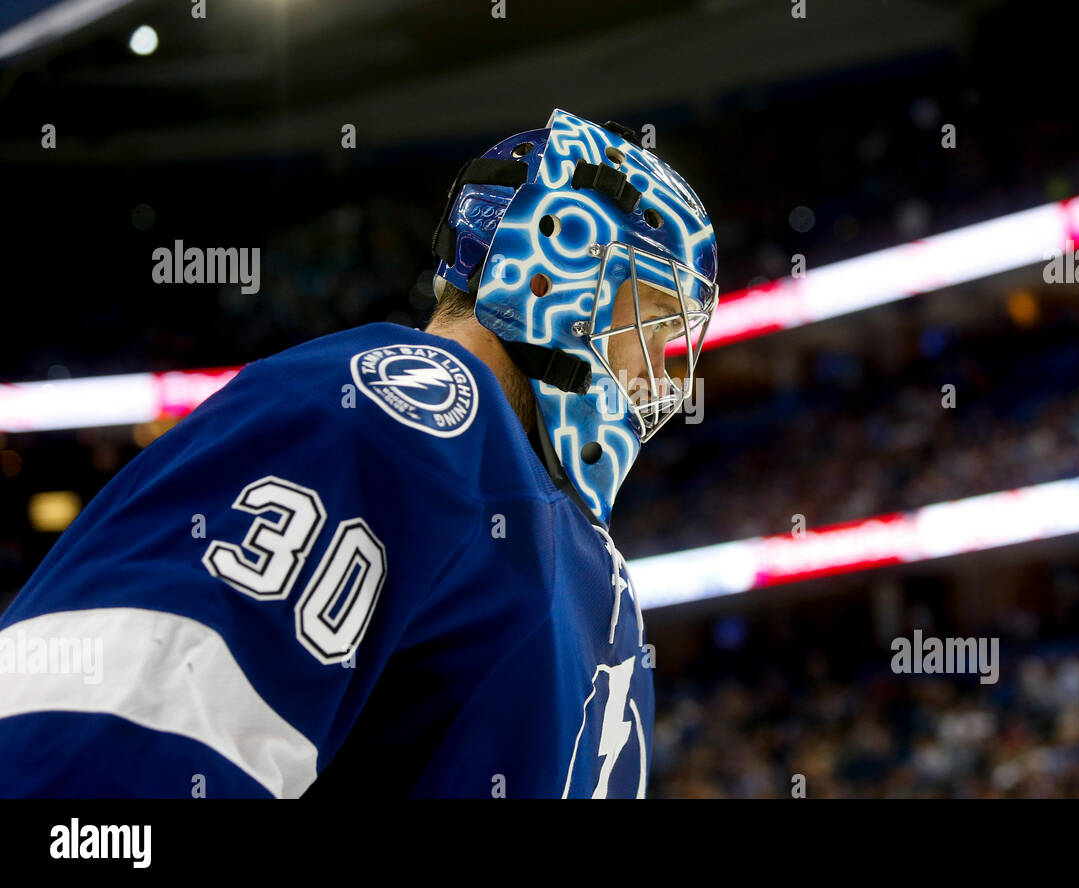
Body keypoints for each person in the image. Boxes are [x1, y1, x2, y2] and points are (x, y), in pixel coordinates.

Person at [0, 108, 718, 798]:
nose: (665, 365)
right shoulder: (411, 414)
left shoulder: (597, 572)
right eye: (653, 316)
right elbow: (112, 738)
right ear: (551, 273)